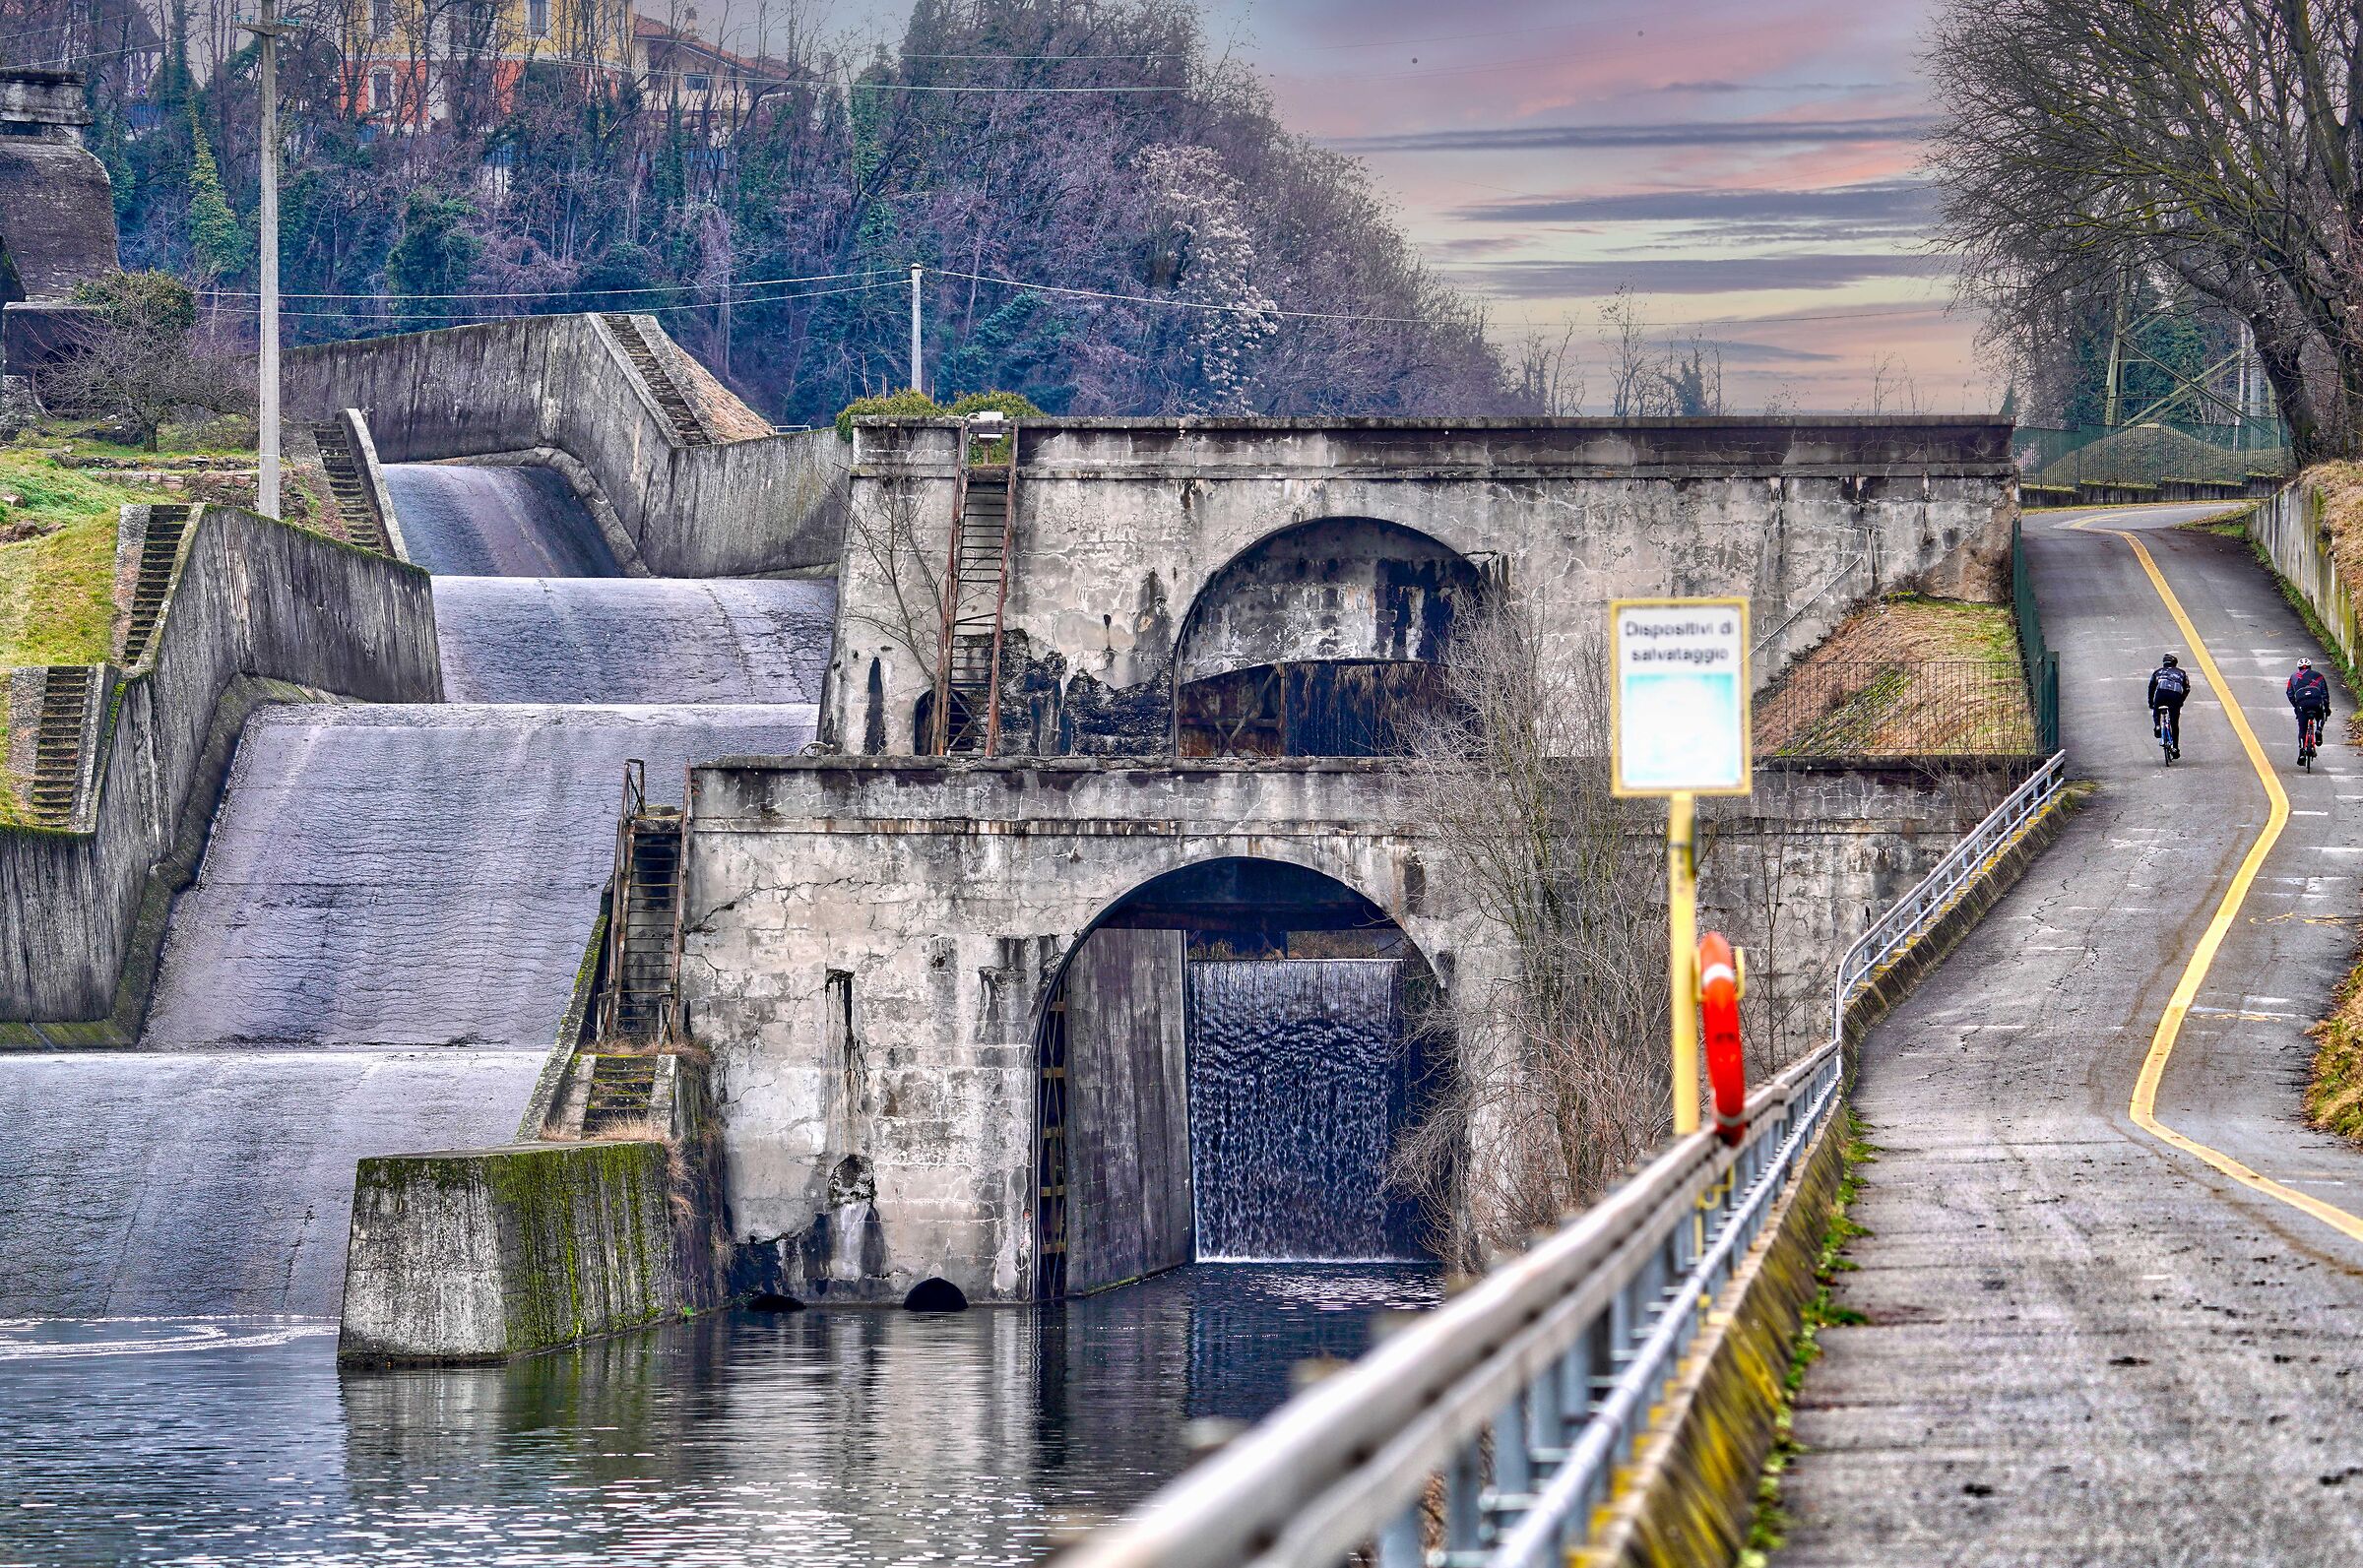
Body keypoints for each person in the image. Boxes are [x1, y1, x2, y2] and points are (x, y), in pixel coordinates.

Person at [2288, 658, 2332, 763]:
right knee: (2321, 715)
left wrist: (2296, 706)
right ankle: (2318, 730)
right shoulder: (2319, 676)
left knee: (2302, 729)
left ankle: (2302, 752)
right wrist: (2326, 707)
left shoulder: (2293, 677)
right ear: (2310, 666)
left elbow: (2289, 693)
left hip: (2302, 704)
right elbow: (2325, 694)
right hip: (2316, 703)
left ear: (2299, 667)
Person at [2148, 653, 2190, 759]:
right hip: (2175, 696)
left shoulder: (2158, 672)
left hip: (2161, 693)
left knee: (2156, 709)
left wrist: (2151, 703)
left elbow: (2151, 688)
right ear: (2175, 663)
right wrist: (2181, 700)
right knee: (2174, 723)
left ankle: (2157, 725)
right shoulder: (2182, 673)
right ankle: (2175, 747)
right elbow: (2187, 688)